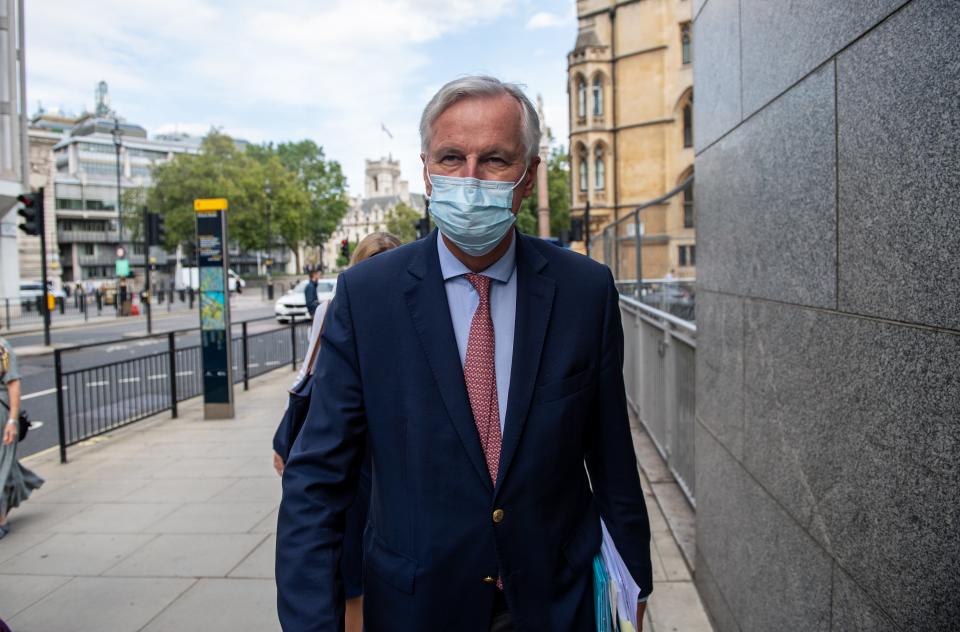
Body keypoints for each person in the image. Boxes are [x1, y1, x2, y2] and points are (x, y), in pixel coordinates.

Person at [276, 76, 652, 632]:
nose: (470, 180)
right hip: (416, 607)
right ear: (426, 171)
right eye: (452, 157)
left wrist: (634, 590)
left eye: (495, 159)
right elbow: (316, 481)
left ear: (528, 177)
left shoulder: (585, 292)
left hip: (556, 602)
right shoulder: (367, 296)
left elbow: (614, 463)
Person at [274, 231, 402, 632]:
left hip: (391, 446)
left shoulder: (411, 311)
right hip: (350, 445)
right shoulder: (334, 307)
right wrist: (292, 432)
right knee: (350, 564)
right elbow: (310, 371)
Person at [0, 336, 44, 539]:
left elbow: (13, 383)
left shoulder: (2, 347)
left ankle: (0, 521)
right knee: (6, 467)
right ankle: (24, 484)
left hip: (1, 415)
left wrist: (12, 421)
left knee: (2, 466)